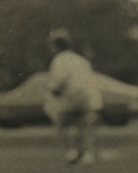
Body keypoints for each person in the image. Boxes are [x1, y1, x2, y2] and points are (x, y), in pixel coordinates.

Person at [43, 29, 103, 165]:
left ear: (55, 46)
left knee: (66, 123)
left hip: (71, 96)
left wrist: (52, 91)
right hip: (87, 96)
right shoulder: (80, 59)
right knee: (84, 126)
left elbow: (59, 80)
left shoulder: (59, 60)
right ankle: (88, 154)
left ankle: (73, 152)